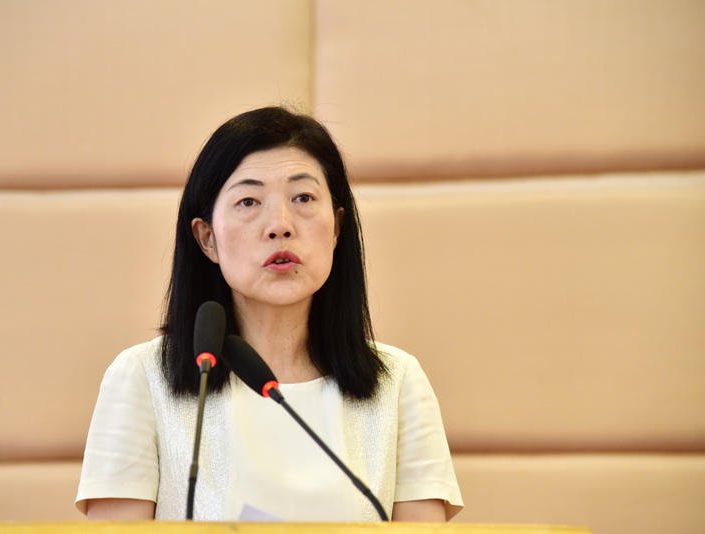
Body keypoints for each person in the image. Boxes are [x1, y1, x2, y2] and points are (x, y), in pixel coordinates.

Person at [75, 106, 463, 522]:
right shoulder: (144, 378)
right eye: (248, 201)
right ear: (207, 238)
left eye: (303, 198)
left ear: (337, 227)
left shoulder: (397, 383)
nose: (280, 225)